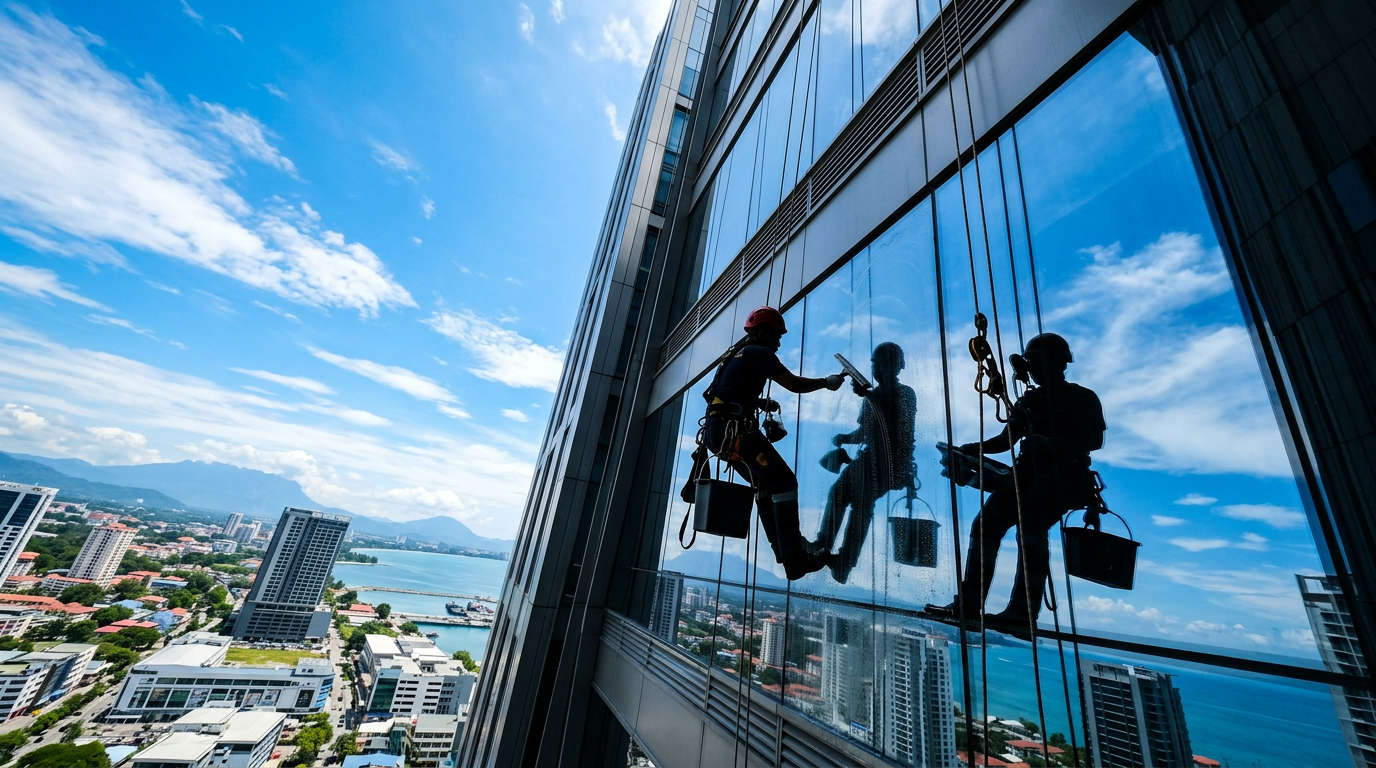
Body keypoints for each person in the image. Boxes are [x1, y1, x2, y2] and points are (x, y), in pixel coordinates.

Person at [928, 333, 1105, 635]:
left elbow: (1094, 440)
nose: (1033, 368)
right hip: (1027, 476)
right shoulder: (1029, 401)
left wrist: (1052, 444)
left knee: (1031, 527)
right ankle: (970, 605)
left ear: (1058, 364)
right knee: (986, 524)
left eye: (1037, 362)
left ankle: (1022, 612)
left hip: (1063, 476)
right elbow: (1005, 439)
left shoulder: (1081, 397)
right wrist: (972, 448)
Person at [699, 306, 847, 580]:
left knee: (766, 485)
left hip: (717, 434)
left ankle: (785, 553)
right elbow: (793, 384)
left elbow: (724, 392)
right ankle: (794, 559)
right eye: (777, 336)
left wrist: (758, 402)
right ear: (763, 333)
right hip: (737, 434)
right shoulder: (760, 353)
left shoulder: (734, 354)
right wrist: (827, 382)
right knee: (785, 483)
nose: (779, 343)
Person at [807, 342, 917, 584]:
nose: (875, 367)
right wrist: (845, 438)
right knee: (845, 498)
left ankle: (838, 556)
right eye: (874, 363)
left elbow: (897, 430)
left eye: (878, 363)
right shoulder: (874, 395)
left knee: (856, 503)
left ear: (893, 366)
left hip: (887, 463)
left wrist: (868, 395)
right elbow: (866, 431)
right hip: (873, 459)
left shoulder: (904, 394)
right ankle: (835, 555)